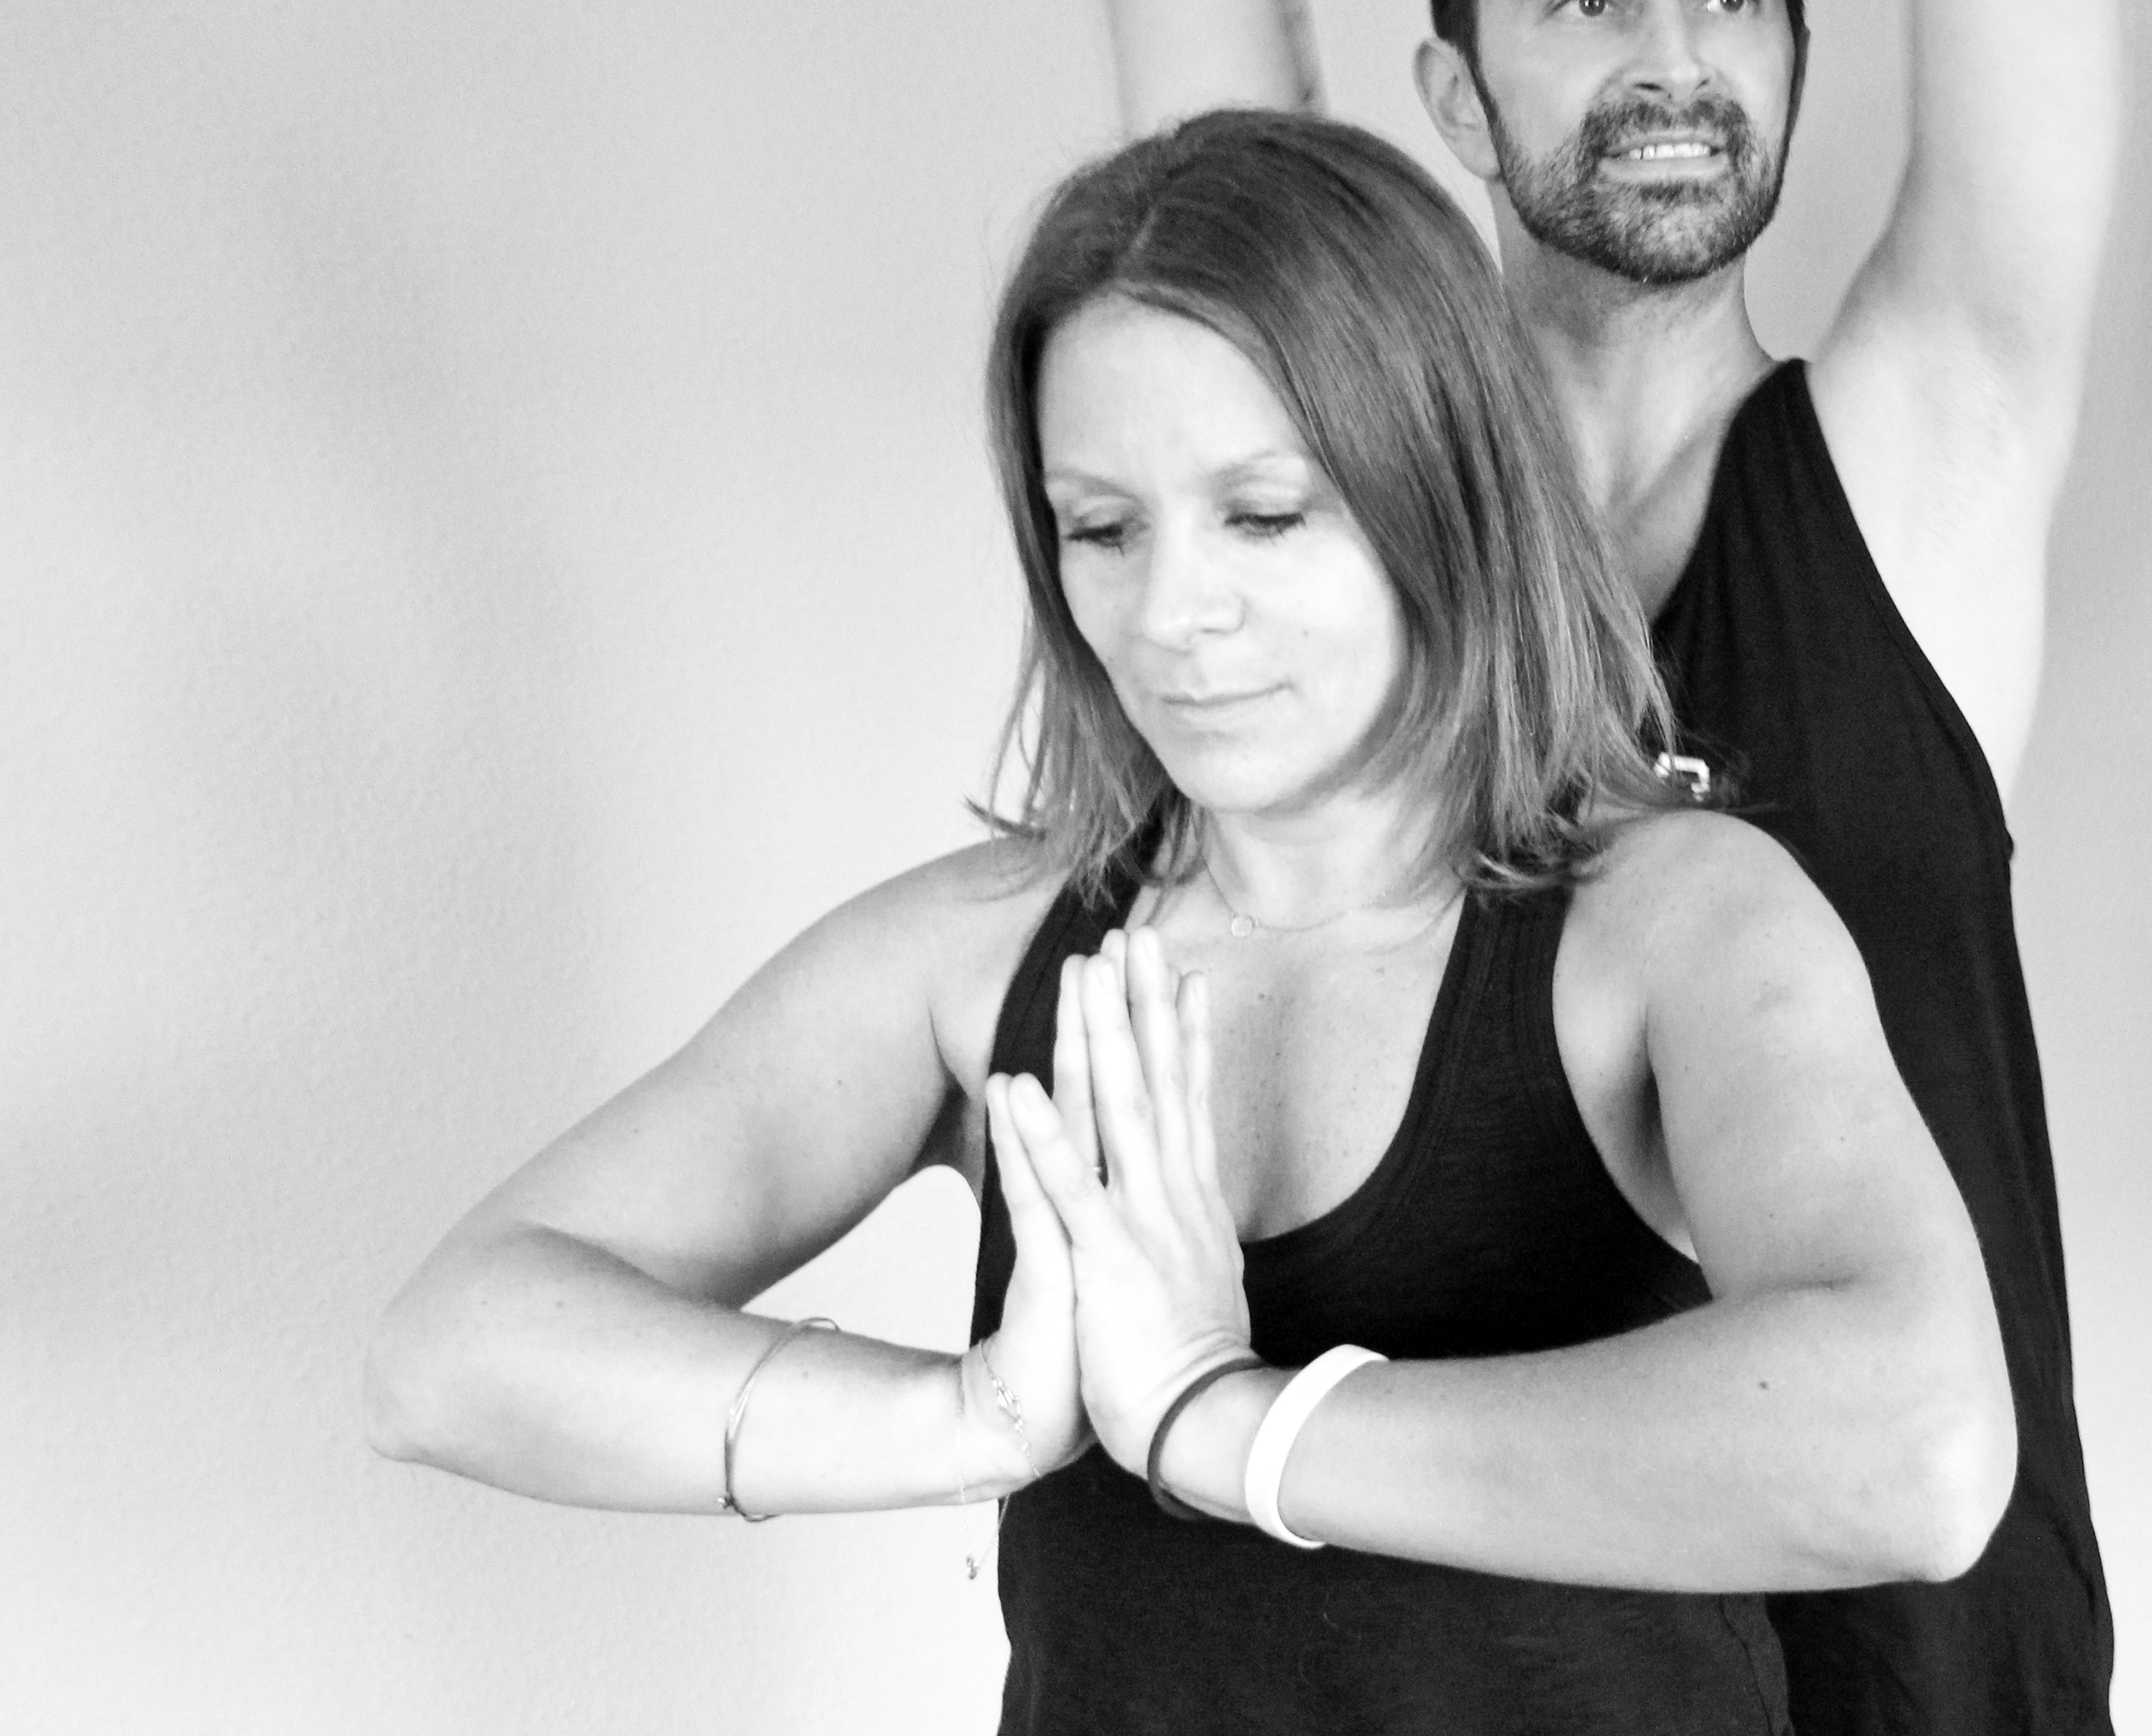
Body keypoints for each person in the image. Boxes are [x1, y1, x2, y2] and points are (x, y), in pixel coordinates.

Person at [365, 108, 2006, 1733]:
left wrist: (1227, 1424)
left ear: (1446, 492)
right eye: (1103, 527)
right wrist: (974, 1419)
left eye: (1264, 514)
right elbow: (450, 1352)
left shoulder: (1675, 926)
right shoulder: (974, 961)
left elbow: (1917, 1446)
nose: (1170, 612)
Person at [1075, 0, 2124, 1729]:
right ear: (1453, 96)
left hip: (1919, 1672)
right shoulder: (1336, 513)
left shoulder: (1922, 456)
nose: (1674, 52)